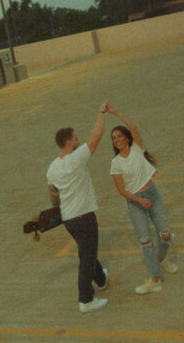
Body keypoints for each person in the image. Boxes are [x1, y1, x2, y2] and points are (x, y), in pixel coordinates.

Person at [105, 105, 177, 294]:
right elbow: (122, 191)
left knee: (165, 234)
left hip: (152, 193)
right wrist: (140, 200)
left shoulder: (137, 148)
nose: (117, 140)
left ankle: (161, 259)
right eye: (113, 138)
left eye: (119, 136)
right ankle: (154, 279)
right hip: (135, 202)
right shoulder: (115, 163)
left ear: (127, 138)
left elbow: (134, 127)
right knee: (146, 241)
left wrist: (114, 112)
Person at [47, 103, 110, 313]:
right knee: (86, 257)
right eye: (75, 138)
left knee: (87, 251)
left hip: (70, 220)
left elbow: (53, 194)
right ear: (68, 143)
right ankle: (86, 300)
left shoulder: (52, 168)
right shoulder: (76, 159)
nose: (78, 140)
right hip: (84, 217)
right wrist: (100, 112)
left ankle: (100, 279)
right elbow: (97, 134)